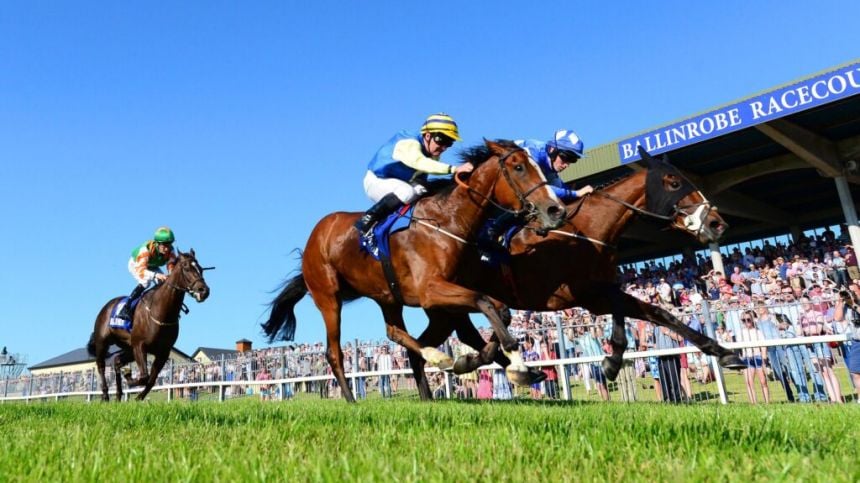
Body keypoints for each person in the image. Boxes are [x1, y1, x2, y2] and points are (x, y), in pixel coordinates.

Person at [354, 113, 474, 246]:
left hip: (398, 182)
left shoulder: (432, 152)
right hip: (377, 180)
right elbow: (421, 163)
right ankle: (368, 221)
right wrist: (454, 169)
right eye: (442, 140)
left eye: (449, 143)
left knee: (425, 191)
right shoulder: (409, 143)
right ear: (427, 135)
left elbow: (423, 178)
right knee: (407, 192)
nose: (444, 147)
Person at [477, 129, 594, 261]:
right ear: (552, 150)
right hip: (493, 179)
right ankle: (492, 231)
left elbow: (558, 191)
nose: (567, 164)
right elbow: (536, 189)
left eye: (573, 160)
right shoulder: (533, 154)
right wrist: (576, 193)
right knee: (528, 199)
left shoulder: (550, 166)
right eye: (566, 157)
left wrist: (581, 194)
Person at [117, 226, 177, 320]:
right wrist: (156, 275)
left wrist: (170, 273)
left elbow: (171, 264)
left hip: (152, 265)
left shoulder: (171, 250)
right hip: (137, 264)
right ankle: (125, 308)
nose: (167, 248)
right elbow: (141, 270)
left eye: (169, 244)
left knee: (164, 283)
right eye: (164, 245)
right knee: (146, 282)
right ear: (157, 244)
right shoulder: (145, 250)